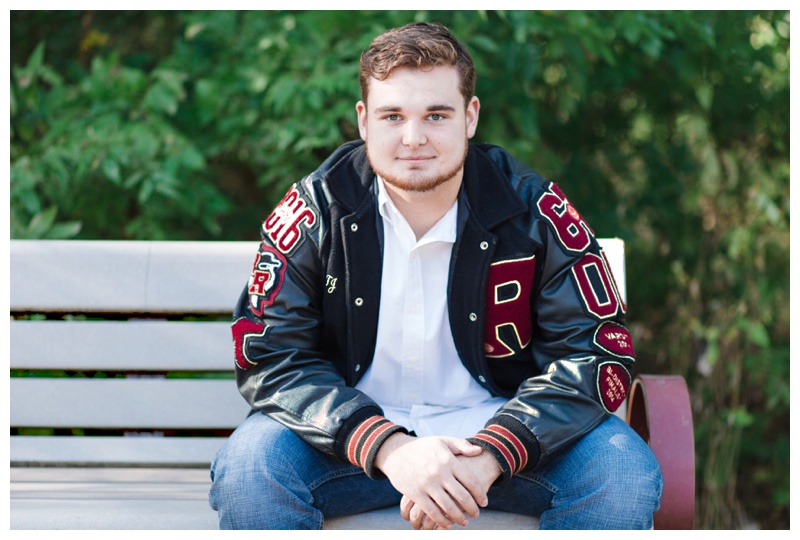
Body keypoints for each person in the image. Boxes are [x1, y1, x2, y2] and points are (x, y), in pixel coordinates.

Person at [208, 21, 662, 530]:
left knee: (620, 470)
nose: (413, 138)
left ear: (470, 117)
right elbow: (271, 355)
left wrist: (490, 457)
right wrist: (392, 450)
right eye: (393, 115)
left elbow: (594, 350)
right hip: (347, 445)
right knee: (251, 469)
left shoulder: (535, 213)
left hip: (506, 444)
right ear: (363, 121)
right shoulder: (315, 214)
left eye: (436, 115)